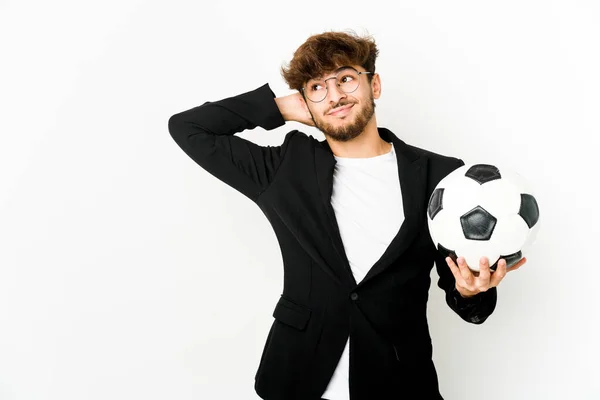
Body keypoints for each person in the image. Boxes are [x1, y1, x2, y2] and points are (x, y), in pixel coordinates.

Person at [167, 30, 526, 400]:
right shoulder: (285, 167)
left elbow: (466, 296)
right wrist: (280, 108)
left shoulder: (440, 175)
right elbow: (187, 127)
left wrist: (470, 292)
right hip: (297, 377)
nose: (335, 94)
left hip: (400, 380)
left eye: (346, 78)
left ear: (375, 84)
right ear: (305, 101)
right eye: (317, 87)